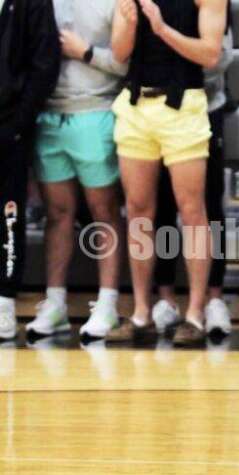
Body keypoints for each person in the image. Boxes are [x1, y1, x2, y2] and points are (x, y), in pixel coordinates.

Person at [107, 0, 228, 345]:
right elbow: (118, 53)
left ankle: (195, 313)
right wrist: (130, 25)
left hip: (184, 105)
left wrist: (161, 29)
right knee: (137, 210)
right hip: (135, 103)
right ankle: (141, 312)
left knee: (192, 211)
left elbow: (210, 54)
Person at [24, 0, 126, 339]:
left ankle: (108, 303)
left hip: (96, 111)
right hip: (49, 114)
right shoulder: (40, 4)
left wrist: (86, 53)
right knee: (57, 214)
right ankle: (55, 303)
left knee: (104, 212)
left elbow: (128, 64)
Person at [152, 20, 234, 337]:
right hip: (158, 108)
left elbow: (219, 57)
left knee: (208, 206)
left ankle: (214, 298)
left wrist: (177, 50)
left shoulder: (213, 7)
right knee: (161, 205)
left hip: (205, 105)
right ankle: (166, 298)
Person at [0, 0, 61, 340]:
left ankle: (4, 301)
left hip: (10, 126)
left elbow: (45, 63)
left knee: (8, 215)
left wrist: (19, 123)